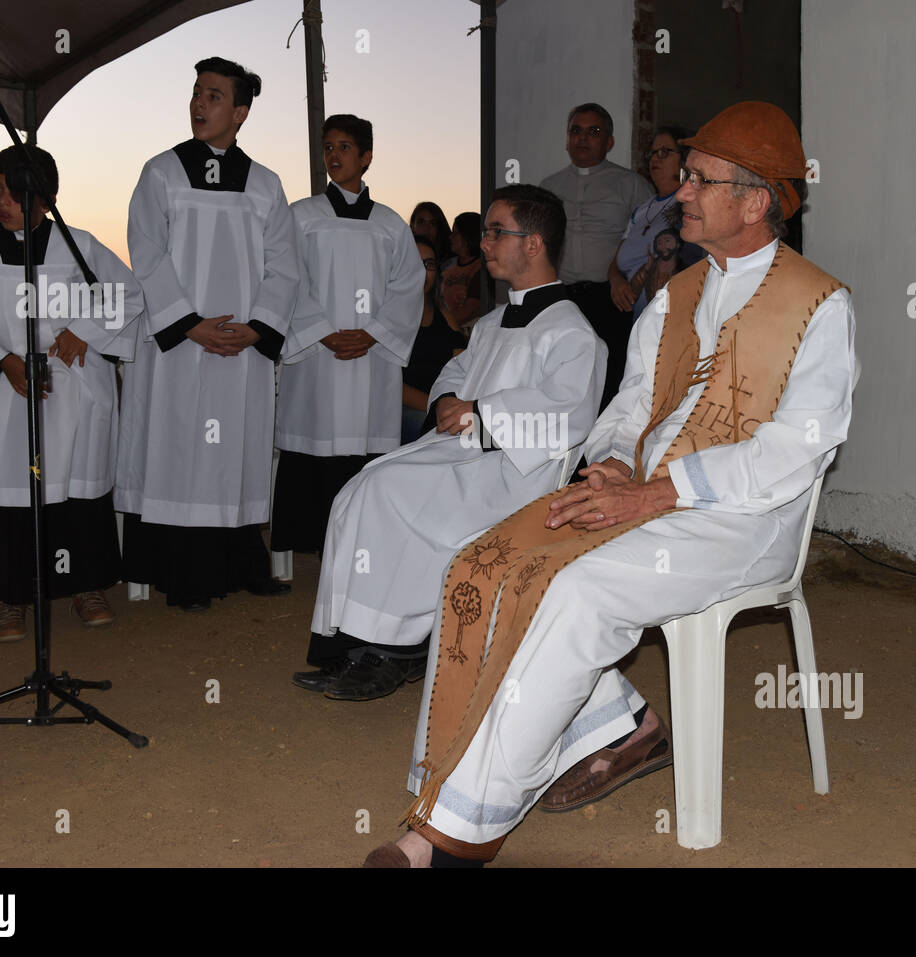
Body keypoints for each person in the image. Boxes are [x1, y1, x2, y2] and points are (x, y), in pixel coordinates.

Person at [365, 102, 857, 867]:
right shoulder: (675, 296)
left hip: (743, 521)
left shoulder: (822, 306)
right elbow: (626, 408)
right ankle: (596, 729)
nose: (679, 192)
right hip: (646, 499)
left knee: (576, 589)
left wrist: (658, 493)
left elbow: (796, 452)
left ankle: (455, 831)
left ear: (756, 201)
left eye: (699, 179)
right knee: (485, 562)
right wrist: (618, 461)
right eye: (684, 175)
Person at [294, 184, 605, 702]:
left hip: (513, 474)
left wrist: (481, 414)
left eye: (496, 231)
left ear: (533, 244)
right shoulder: (492, 322)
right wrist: (447, 401)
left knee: (388, 489)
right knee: (363, 485)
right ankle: (352, 644)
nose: (484, 243)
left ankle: (395, 650)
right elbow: (454, 374)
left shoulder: (573, 332)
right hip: (466, 452)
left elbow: (568, 416)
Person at [0, 145, 142, 640]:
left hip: (71, 386)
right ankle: (9, 595)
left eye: (11, 191)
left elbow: (127, 293)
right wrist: (1, 360)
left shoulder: (79, 244)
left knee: (75, 487)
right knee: (7, 489)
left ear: (45, 197)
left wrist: (83, 329)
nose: (0, 200)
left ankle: (85, 584)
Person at [116, 56, 301, 612]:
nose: (200, 103)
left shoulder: (266, 184)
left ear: (241, 112)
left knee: (236, 452)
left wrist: (257, 328)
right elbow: (145, 252)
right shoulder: (161, 172)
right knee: (181, 450)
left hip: (241, 344)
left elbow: (284, 264)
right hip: (183, 345)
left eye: (215, 96)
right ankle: (183, 574)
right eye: (197, 92)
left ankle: (242, 561)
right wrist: (188, 323)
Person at [270, 113, 424, 562]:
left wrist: (374, 334)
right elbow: (286, 277)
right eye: (328, 147)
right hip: (318, 358)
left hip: (370, 362)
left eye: (343, 147)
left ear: (366, 157)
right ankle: (312, 545)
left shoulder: (391, 224)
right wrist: (321, 330)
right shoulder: (300, 217)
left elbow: (408, 285)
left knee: (364, 450)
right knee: (314, 444)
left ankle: (360, 548)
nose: (333, 156)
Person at [540, 102, 654, 409]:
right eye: (576, 131)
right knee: (559, 379)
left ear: (609, 142)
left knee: (609, 382)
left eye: (594, 132)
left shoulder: (631, 185)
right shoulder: (549, 188)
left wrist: (631, 281)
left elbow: (653, 241)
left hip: (611, 299)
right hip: (560, 299)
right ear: (567, 139)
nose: (582, 139)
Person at [607, 126, 704, 317]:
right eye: (652, 153)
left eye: (665, 152)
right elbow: (616, 262)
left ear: (685, 160)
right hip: (634, 316)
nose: (655, 158)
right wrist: (616, 281)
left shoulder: (691, 205)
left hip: (673, 315)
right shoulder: (642, 209)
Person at [401, 235, 465, 443]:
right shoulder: (388, 317)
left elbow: (465, 364)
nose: (422, 270)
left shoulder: (443, 314)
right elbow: (392, 386)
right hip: (406, 409)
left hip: (445, 404)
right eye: (414, 262)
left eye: (429, 264)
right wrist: (439, 406)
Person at [438, 211, 483, 330]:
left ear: (468, 236)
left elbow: (471, 310)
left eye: (455, 233)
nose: (450, 237)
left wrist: (438, 326)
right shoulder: (446, 267)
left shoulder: (481, 268)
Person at [408, 202, 451, 274]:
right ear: (412, 225)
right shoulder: (400, 258)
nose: (426, 228)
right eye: (421, 222)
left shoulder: (451, 264)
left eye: (433, 223)